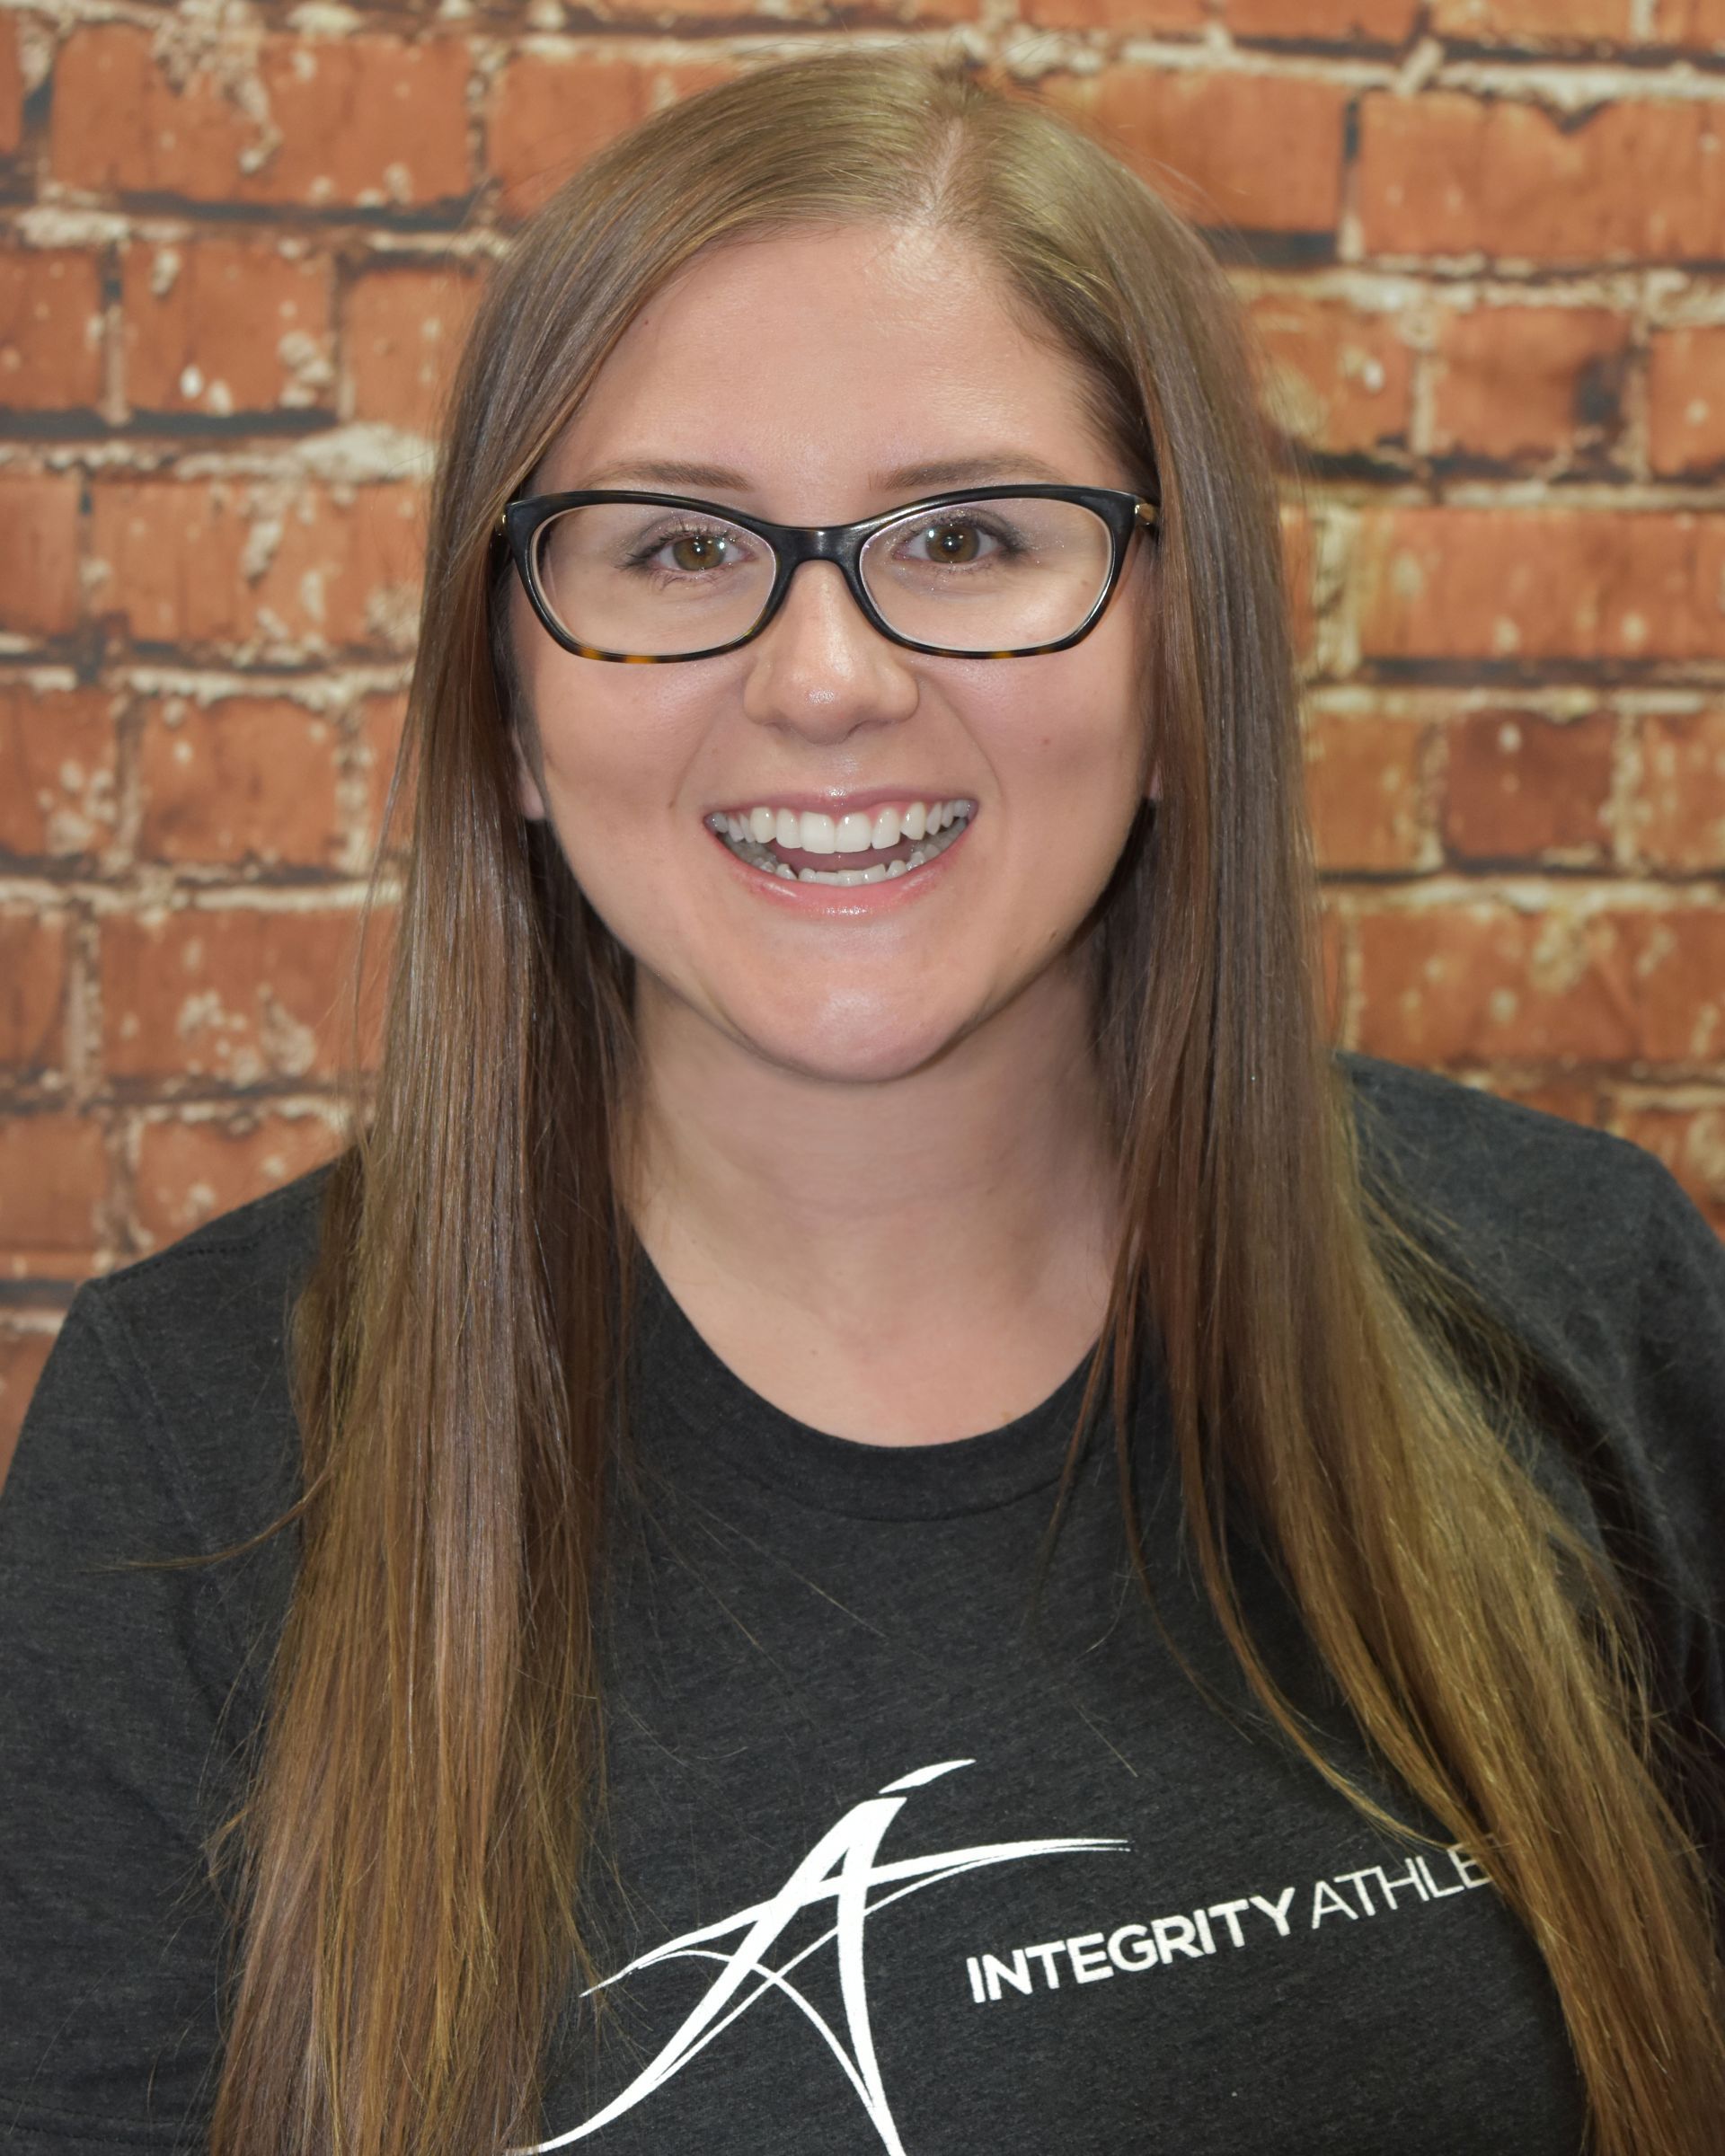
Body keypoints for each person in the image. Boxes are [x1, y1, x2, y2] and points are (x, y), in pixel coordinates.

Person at [2, 48, 1721, 2156]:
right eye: (674, 551)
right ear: (514, 712)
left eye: (972, 534)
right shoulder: (195, 1451)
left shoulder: (1584, 1294)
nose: (824, 676)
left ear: (1183, 667)